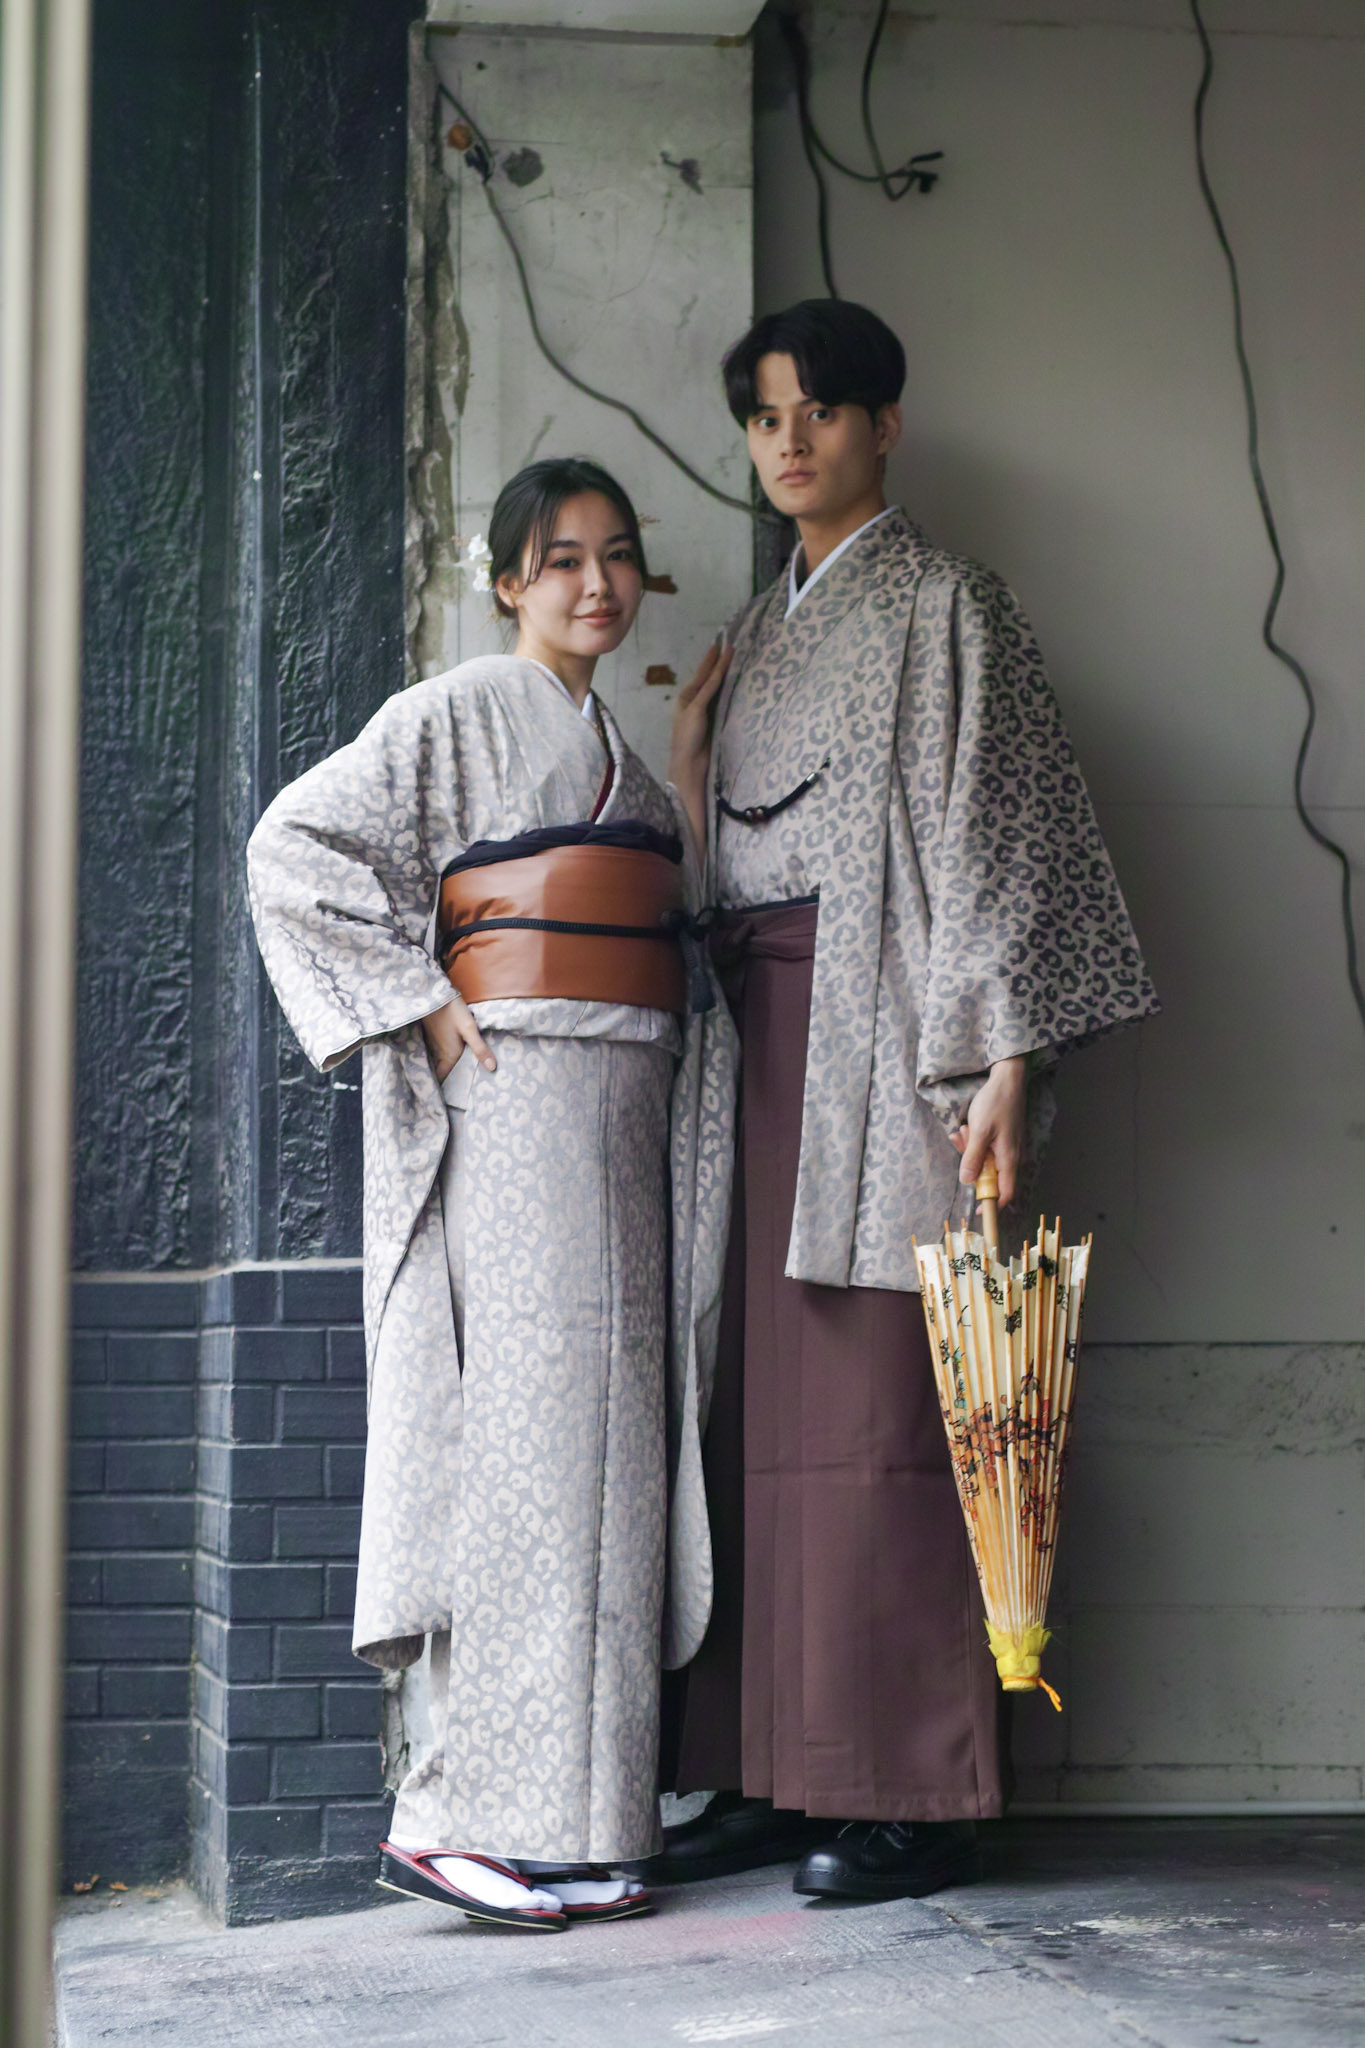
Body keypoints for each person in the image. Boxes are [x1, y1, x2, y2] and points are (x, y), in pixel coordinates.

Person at [657, 300, 1159, 1902]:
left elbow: (999, 830)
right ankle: (769, 1763)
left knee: (882, 1404)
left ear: (884, 424)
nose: (789, 441)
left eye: (819, 410)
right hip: (759, 1033)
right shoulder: (760, 626)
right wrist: (688, 762)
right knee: (754, 1411)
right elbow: (725, 860)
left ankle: (908, 1796)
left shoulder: (948, 602)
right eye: (764, 418)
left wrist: (1010, 1055)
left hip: (886, 1032)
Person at [248, 457, 735, 1932]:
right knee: (520, 1451)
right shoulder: (455, 713)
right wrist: (423, 1003)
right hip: (518, 1101)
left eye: (618, 556)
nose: (597, 583)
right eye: (562, 558)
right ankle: (451, 1813)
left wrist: (692, 768)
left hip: (626, 1110)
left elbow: (683, 916)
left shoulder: (624, 758)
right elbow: (293, 848)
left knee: (614, 1461)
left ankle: (582, 1823)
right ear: (509, 581)